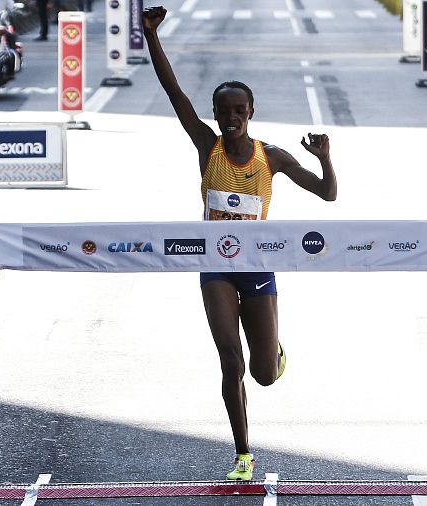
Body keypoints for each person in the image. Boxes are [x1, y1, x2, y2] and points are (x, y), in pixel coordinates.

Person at [143, 5, 337, 482]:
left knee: (264, 373)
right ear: (214, 115)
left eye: (239, 112)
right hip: (215, 265)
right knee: (231, 362)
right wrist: (151, 37)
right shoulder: (206, 144)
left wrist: (327, 157)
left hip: (259, 265)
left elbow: (328, 193)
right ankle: (243, 454)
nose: (231, 119)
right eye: (224, 112)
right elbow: (174, 93)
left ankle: (275, 353)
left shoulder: (272, 157)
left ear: (250, 114)